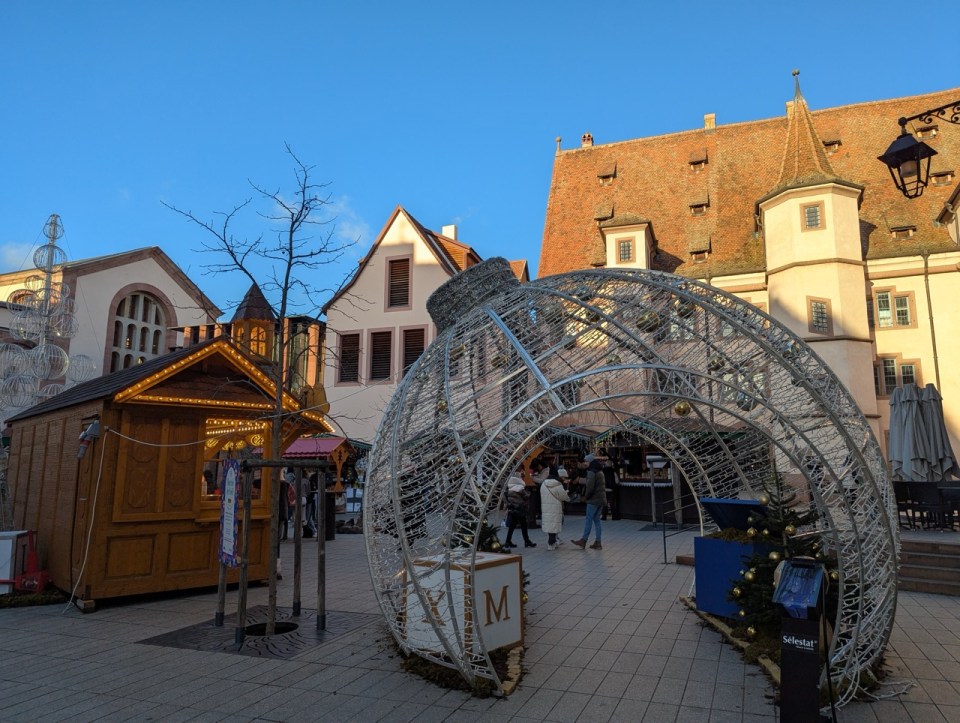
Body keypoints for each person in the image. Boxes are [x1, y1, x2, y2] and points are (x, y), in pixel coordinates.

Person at [572, 453, 605, 550]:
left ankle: (584, 540)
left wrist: (586, 497)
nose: (585, 463)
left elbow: (590, 487)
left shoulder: (591, 471)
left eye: (586, 461)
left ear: (590, 462)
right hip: (601, 499)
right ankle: (598, 542)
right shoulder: (599, 471)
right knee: (597, 521)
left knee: (588, 519)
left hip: (593, 500)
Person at [540, 465, 570, 550]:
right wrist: (567, 494)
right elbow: (563, 496)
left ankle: (552, 542)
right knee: (553, 526)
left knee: (550, 526)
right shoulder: (557, 484)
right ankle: (551, 544)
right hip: (555, 508)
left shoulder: (543, 484)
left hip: (546, 508)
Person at [503, 472, 536, 548]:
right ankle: (527, 541)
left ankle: (508, 541)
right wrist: (529, 492)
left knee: (512, 525)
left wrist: (509, 504)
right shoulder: (520, 488)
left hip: (512, 508)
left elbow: (505, 497)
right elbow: (526, 496)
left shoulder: (509, 487)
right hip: (519, 508)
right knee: (523, 525)